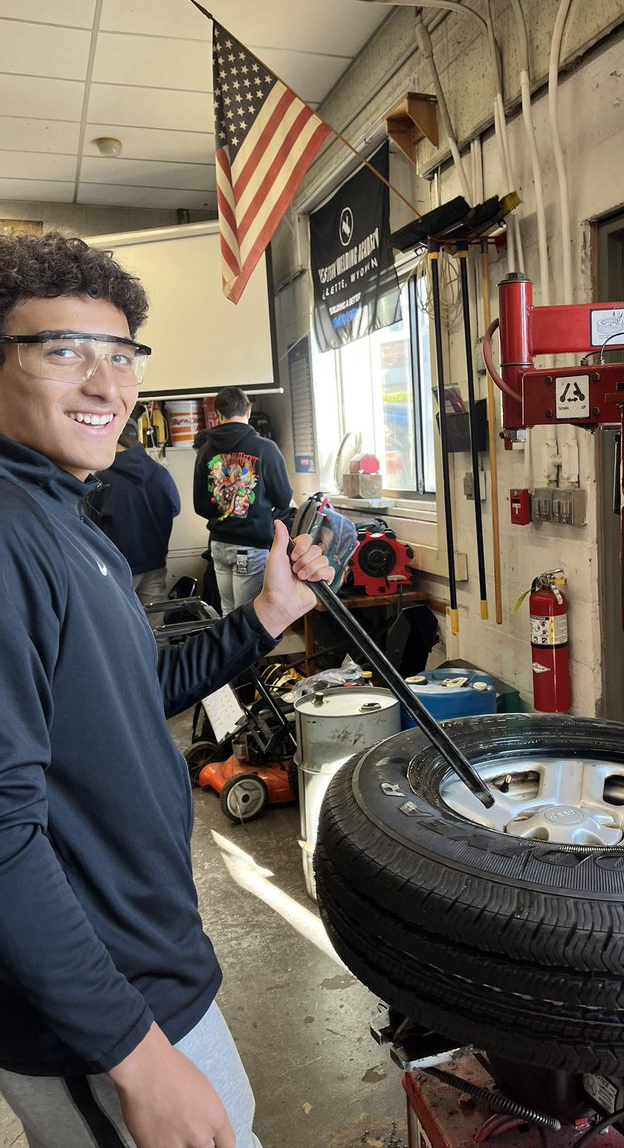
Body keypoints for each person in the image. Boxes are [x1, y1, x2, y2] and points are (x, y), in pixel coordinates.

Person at [0, 230, 333, 1148]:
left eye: (120, 356)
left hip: (143, 969)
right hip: (99, 1015)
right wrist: (135, 1056)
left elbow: (135, 689)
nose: (108, 386)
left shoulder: (63, 516)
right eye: (63, 351)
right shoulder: (6, 537)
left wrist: (266, 614)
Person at [193, 387, 294, 615]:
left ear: (218, 414)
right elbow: (284, 499)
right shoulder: (265, 448)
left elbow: (200, 505)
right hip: (251, 544)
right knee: (248, 615)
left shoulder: (206, 450)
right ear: (248, 411)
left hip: (218, 544)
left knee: (228, 612)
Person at [86, 416, 181, 625]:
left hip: (118, 569)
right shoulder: (160, 473)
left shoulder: (102, 480)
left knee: (122, 631)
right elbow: (175, 509)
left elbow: (88, 524)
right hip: (155, 564)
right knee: (156, 630)